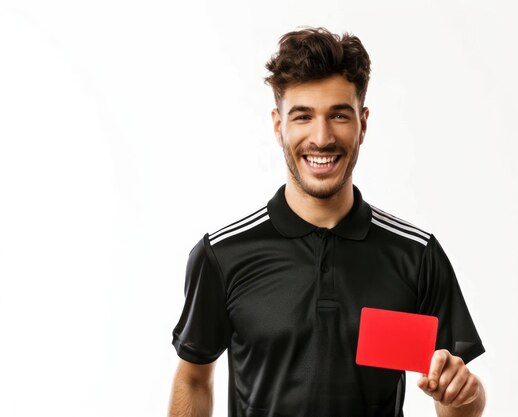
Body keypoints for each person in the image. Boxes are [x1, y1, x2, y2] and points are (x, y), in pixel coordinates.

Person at [168, 27, 486, 417]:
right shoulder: (223, 255)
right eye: (303, 116)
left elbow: (455, 395)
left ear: (363, 123)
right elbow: (194, 379)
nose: (322, 137)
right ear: (278, 124)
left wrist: (463, 395)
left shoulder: (415, 255)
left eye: (339, 115)